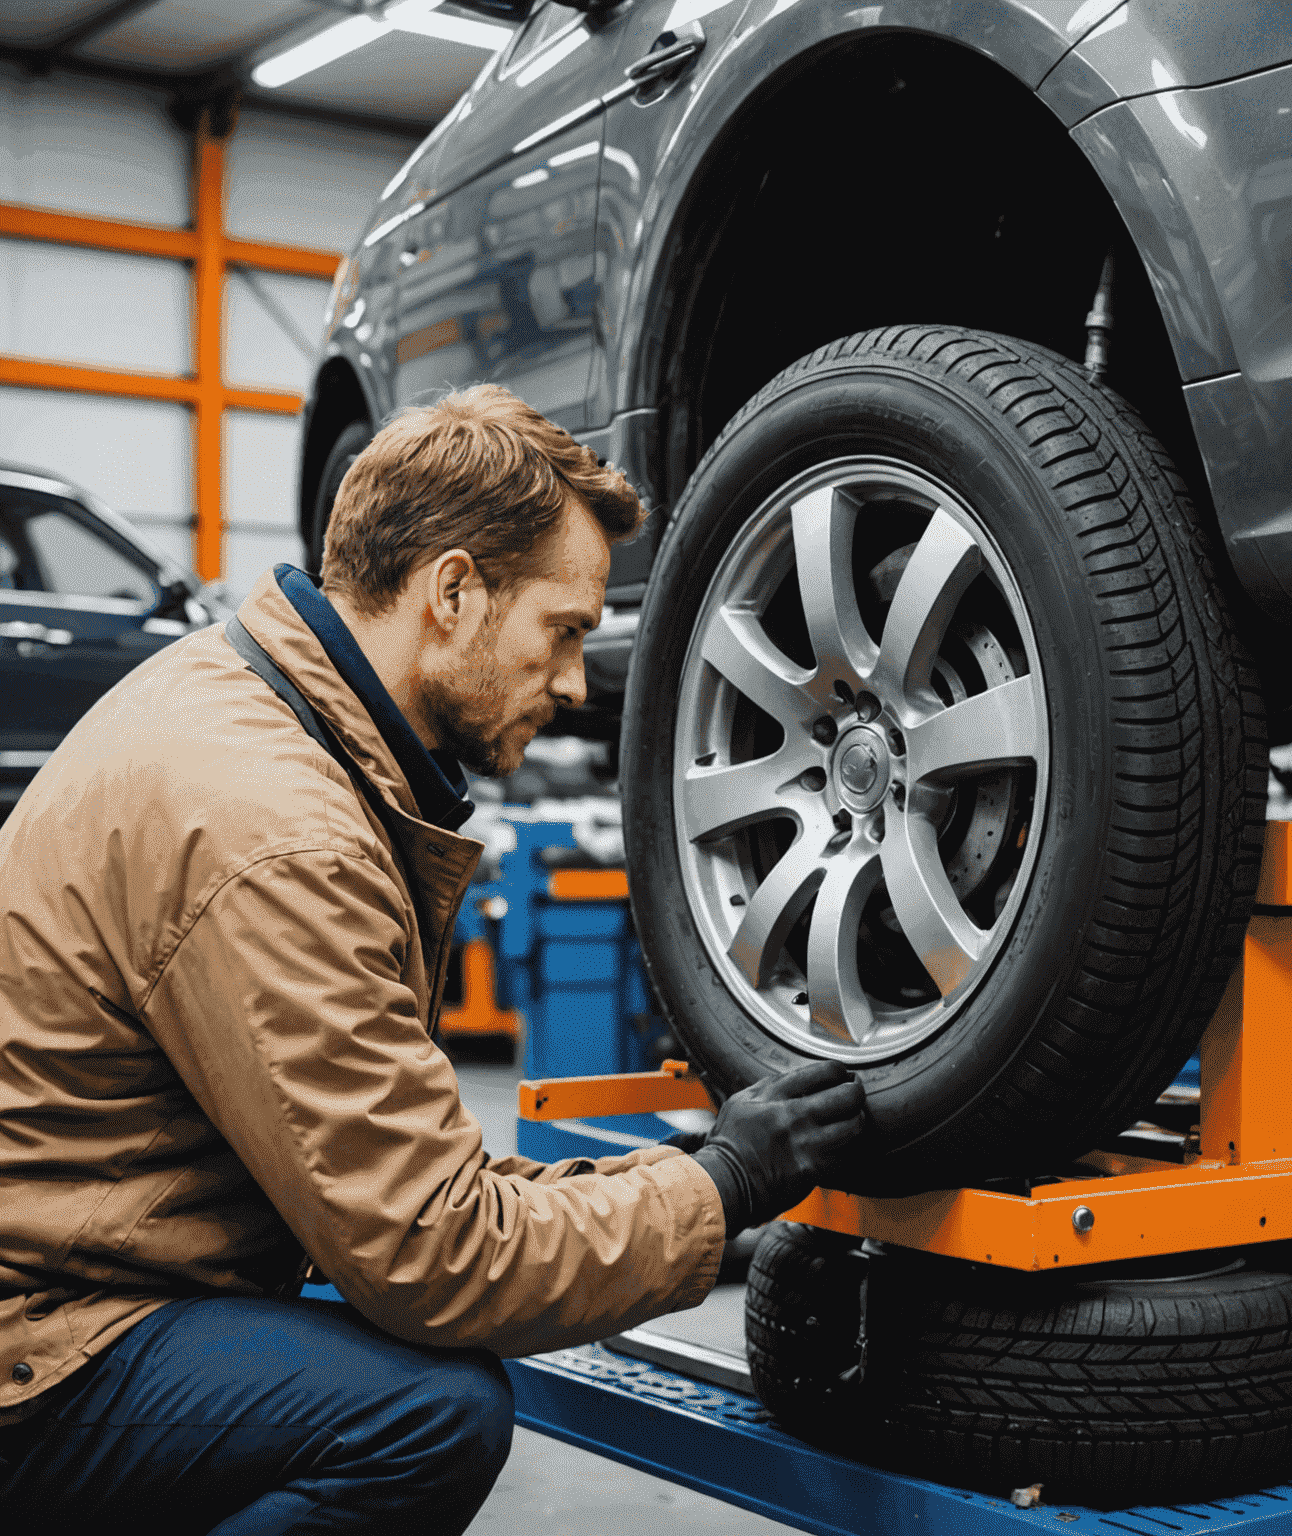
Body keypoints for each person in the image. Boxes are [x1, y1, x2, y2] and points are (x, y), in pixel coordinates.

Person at [0, 385, 866, 1533]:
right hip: (42, 1341)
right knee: (424, 1412)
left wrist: (675, 1177)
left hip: (90, 1265)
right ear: (453, 592)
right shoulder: (277, 830)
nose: (572, 687)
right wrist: (724, 1186)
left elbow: (401, 1184)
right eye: (562, 631)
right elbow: (436, 1255)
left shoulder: (244, 708)